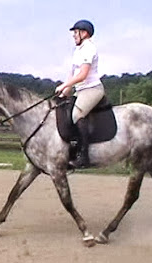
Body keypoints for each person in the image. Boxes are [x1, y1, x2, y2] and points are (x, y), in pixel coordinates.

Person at [55, 19, 105, 168]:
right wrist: (64, 92)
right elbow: (72, 74)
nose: (74, 35)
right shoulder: (78, 50)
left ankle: (84, 156)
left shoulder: (89, 48)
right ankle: (72, 148)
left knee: (77, 115)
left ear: (84, 33)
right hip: (81, 90)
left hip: (92, 89)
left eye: (76, 32)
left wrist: (65, 85)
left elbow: (83, 75)